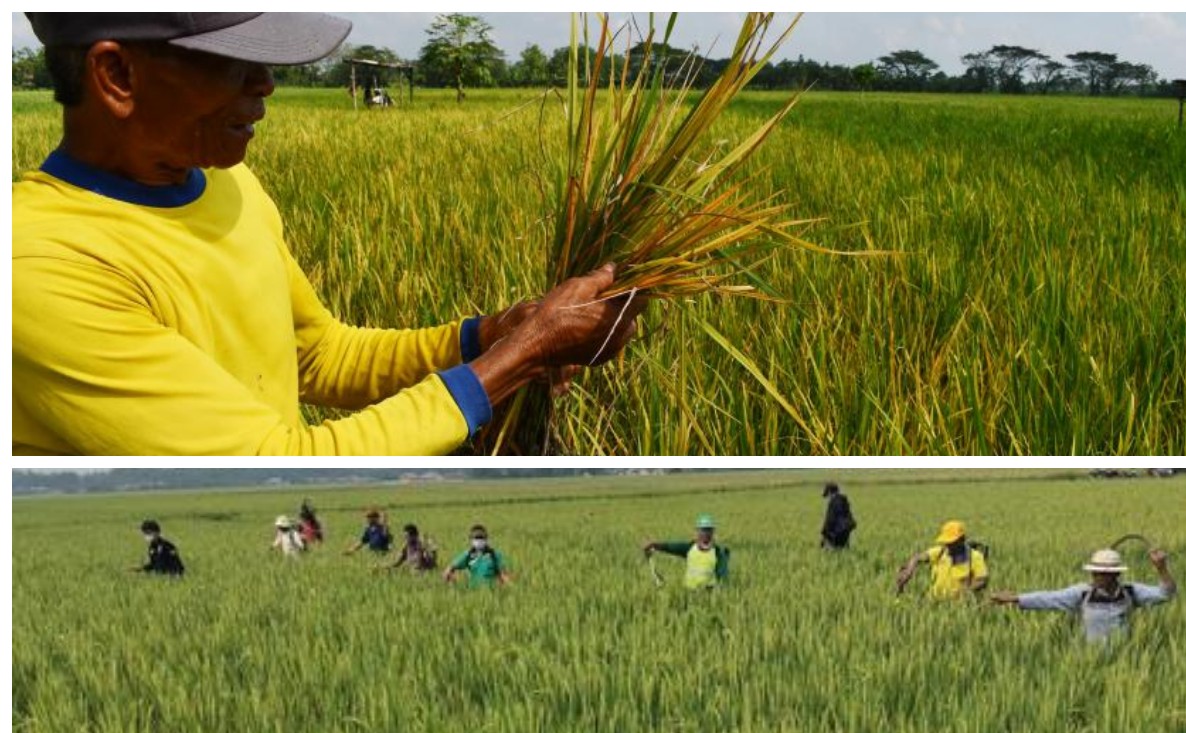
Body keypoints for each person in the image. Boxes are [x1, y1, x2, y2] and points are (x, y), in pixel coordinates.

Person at [13, 13, 648, 455]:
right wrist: (523, 356)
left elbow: (319, 354)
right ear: (117, 76)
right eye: (234, 61)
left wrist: (493, 334)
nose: (265, 83)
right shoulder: (40, 264)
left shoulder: (228, 185)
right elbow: (269, 461)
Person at [991, 548, 1176, 644]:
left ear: (1115, 574)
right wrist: (1015, 598)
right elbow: (1049, 598)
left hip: (1124, 660)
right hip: (1089, 661)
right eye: (1095, 572)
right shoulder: (1082, 593)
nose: (1096, 576)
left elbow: (1166, 594)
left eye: (1102, 573)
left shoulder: (1131, 592)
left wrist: (1162, 569)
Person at [895, 520, 988, 600]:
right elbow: (917, 558)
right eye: (947, 542)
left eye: (952, 543)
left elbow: (982, 581)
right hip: (933, 600)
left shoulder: (975, 557)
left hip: (959, 605)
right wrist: (909, 570)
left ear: (961, 540)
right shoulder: (940, 552)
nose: (948, 546)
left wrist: (964, 592)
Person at [643, 514, 731, 590]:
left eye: (708, 530)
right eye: (702, 530)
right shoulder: (690, 548)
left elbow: (723, 576)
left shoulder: (718, 553)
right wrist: (654, 545)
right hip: (689, 592)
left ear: (712, 532)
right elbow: (671, 547)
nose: (705, 533)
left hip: (708, 593)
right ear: (697, 531)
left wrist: (721, 588)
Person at [443, 525, 510, 588]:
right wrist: (452, 584)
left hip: (491, 591)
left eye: (481, 538)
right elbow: (450, 568)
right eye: (476, 538)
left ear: (486, 539)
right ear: (471, 540)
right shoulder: (468, 555)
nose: (479, 541)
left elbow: (503, 574)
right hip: (472, 592)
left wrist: (507, 587)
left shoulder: (494, 555)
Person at [820, 482, 856, 550]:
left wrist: (824, 534)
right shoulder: (844, 501)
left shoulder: (833, 502)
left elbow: (830, 520)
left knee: (832, 550)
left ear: (830, 492)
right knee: (844, 550)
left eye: (827, 495)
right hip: (846, 530)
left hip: (837, 532)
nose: (828, 498)